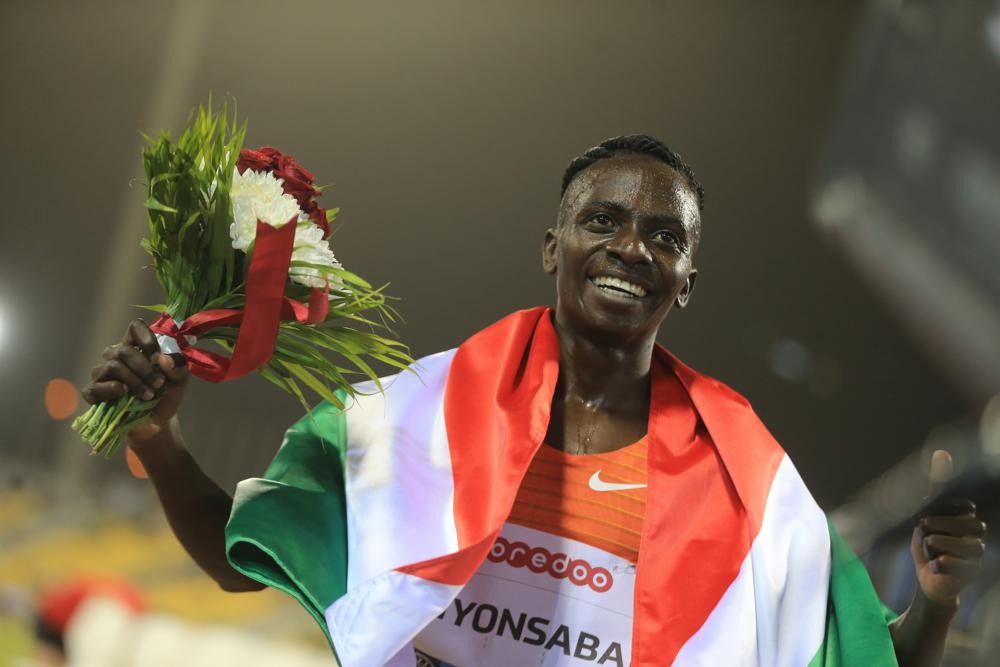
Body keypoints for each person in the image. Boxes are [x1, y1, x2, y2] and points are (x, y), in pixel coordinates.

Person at [82, 135, 987, 666]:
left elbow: (849, 659)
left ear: (688, 279)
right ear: (554, 246)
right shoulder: (418, 423)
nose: (631, 248)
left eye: (663, 235)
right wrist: (160, 441)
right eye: (604, 220)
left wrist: (936, 603)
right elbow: (243, 559)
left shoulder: (749, 485)